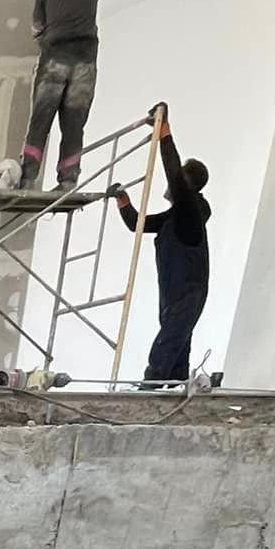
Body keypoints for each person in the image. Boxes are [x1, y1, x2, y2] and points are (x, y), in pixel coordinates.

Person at [111, 105, 211, 385]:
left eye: (180, 181)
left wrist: (163, 132)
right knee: (177, 355)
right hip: (172, 296)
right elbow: (137, 224)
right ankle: (174, 390)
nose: (171, 185)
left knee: (166, 348)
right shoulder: (174, 218)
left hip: (187, 295)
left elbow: (174, 175)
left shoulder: (190, 214)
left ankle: (149, 389)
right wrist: (122, 200)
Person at [20, 0, 110, 190]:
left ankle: (27, 178)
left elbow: (37, 28)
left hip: (54, 59)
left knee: (40, 121)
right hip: (85, 61)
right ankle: (68, 180)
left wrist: (48, 39)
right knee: (73, 125)